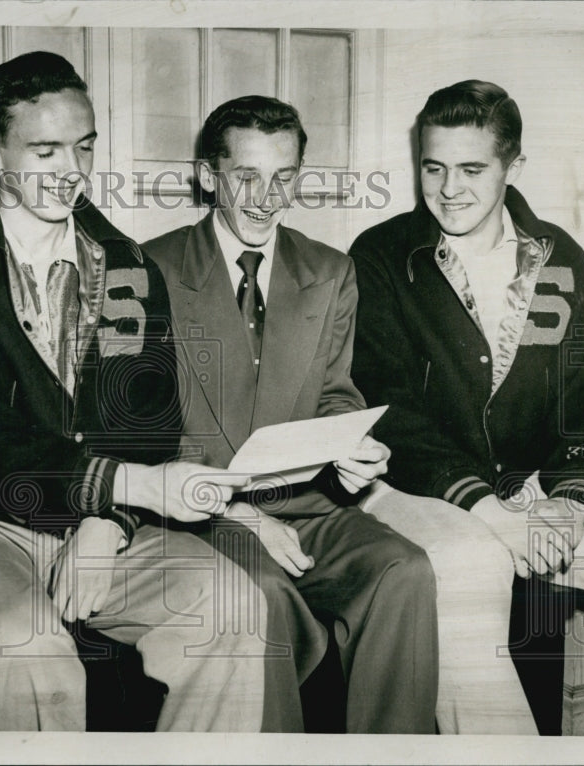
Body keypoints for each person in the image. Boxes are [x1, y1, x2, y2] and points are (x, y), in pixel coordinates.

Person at [0, 52, 316, 733]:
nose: (72, 171)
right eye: (45, 150)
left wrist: (105, 524)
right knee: (36, 656)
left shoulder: (123, 261)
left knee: (236, 613)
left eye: (84, 148)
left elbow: (149, 413)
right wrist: (116, 493)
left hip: (109, 521)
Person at [143, 95, 439, 734]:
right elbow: (136, 434)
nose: (265, 197)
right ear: (207, 175)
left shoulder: (331, 271)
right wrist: (237, 513)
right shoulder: (149, 271)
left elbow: (334, 393)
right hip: (197, 516)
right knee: (264, 598)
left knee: (404, 568)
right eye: (245, 176)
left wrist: (355, 451)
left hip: (306, 506)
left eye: (284, 178)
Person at [349, 80, 584, 733]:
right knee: (469, 575)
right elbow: (391, 414)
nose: (449, 189)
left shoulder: (558, 261)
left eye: (472, 169)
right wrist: (492, 513)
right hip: (403, 487)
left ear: (513, 168)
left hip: (521, 493)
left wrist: (569, 501)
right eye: (434, 168)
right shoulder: (381, 256)